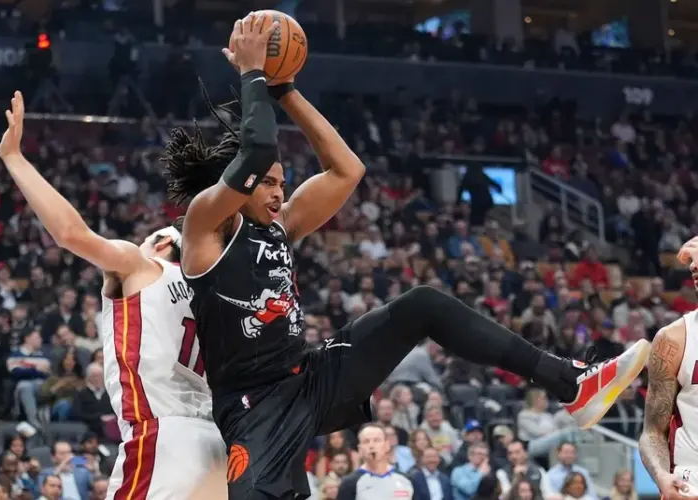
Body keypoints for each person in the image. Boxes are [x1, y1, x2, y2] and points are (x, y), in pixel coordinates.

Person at [166, 11, 650, 500]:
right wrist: (252, 74)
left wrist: (285, 90)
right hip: (254, 407)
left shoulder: (283, 225)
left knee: (422, 304)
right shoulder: (206, 224)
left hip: (311, 379)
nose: (277, 192)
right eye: (268, 183)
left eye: (282, 183)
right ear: (237, 184)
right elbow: (256, 149)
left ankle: (570, 382)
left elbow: (346, 171)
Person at [0, 91, 226, 499]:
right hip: (216, 443)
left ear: (158, 244)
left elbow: (70, 234)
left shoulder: (142, 265)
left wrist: (15, 158)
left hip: (162, 435)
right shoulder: (212, 290)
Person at [639, 238, 698, 500]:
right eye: (693, 268)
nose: (694, 268)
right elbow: (652, 432)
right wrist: (662, 476)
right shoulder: (673, 339)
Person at [336, 423, 414, 499]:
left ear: (387, 445)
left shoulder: (405, 480)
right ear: (360, 449)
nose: (371, 445)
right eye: (366, 441)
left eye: (377, 440)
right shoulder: (349, 484)